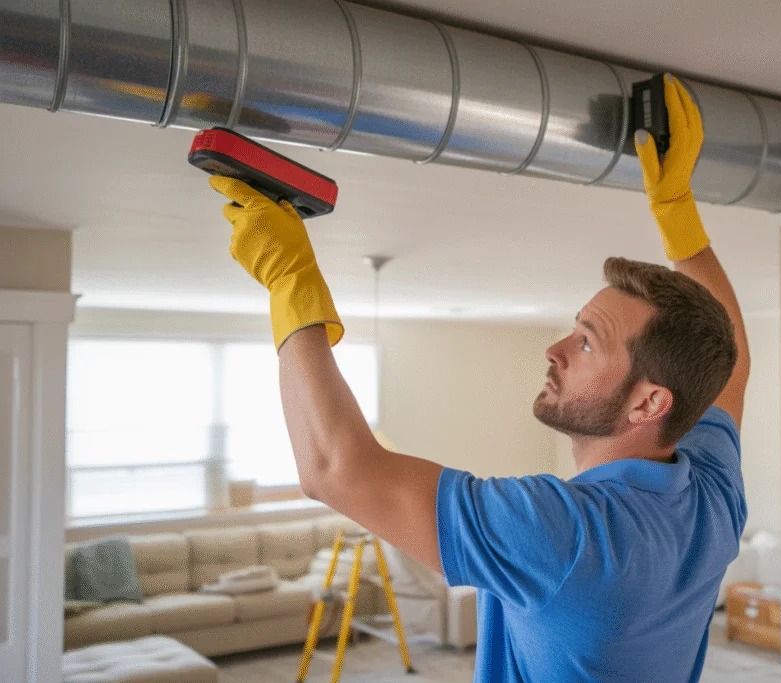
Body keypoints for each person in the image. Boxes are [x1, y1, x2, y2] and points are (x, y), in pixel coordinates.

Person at [209, 74, 749, 683]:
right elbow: (731, 359)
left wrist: (291, 284)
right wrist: (676, 212)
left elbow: (334, 469)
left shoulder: (566, 534)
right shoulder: (707, 494)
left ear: (649, 402)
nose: (555, 349)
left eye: (586, 342)